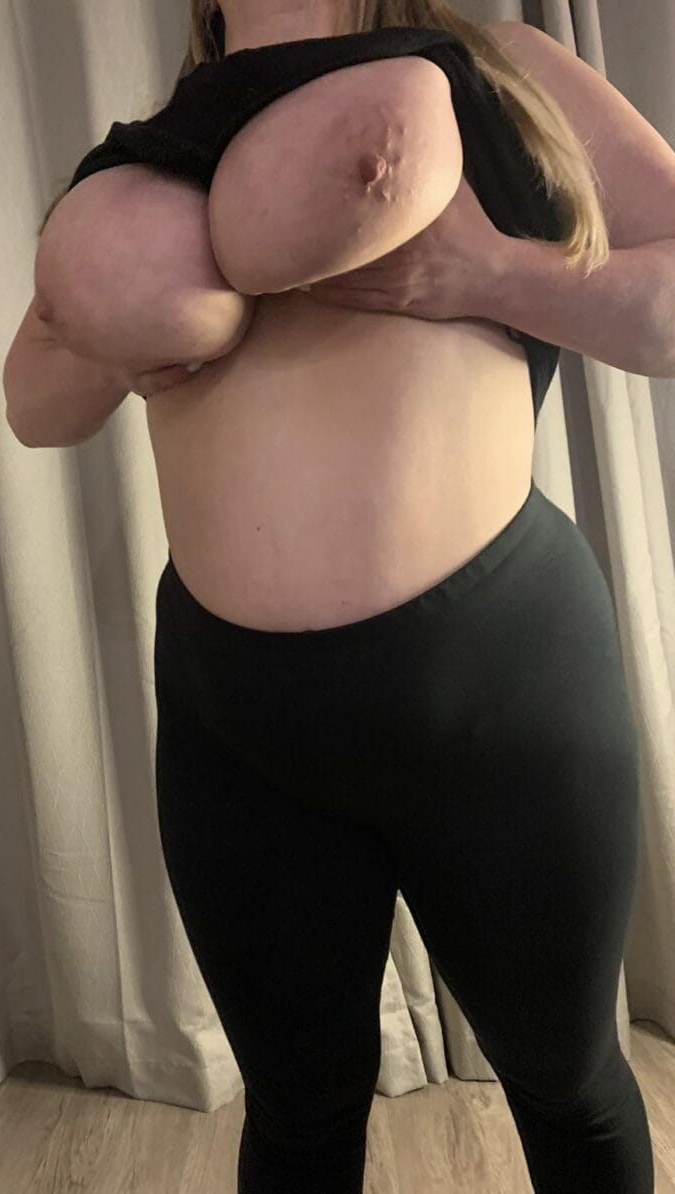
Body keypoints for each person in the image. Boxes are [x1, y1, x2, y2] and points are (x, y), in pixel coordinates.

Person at [63, 1, 656, 1189]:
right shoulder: (156, 155)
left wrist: (492, 273)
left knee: (566, 1083)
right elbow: (37, 404)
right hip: (239, 730)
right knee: (295, 1112)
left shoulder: (498, 69)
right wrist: (112, 328)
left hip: (502, 696)